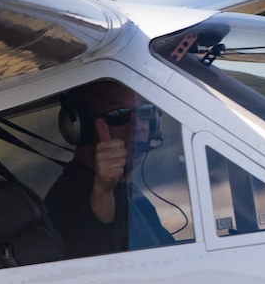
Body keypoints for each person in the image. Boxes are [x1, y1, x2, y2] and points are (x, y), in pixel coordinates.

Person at [44, 80, 175, 258]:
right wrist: (102, 190)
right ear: (81, 126)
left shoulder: (127, 191)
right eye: (118, 114)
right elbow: (95, 236)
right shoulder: (72, 197)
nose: (138, 127)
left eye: (145, 111)